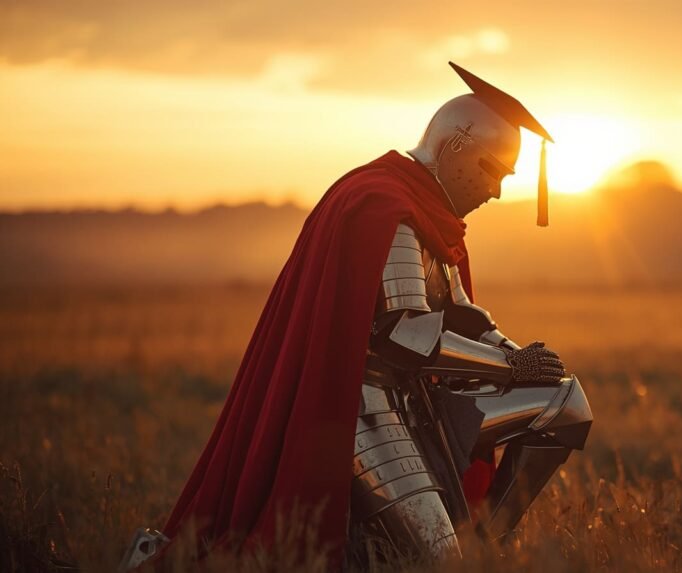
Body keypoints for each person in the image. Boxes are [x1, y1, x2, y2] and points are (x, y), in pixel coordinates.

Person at [121, 62, 592, 570]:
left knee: (566, 402)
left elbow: (465, 317)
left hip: (417, 398)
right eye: (492, 171)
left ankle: (484, 547)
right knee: (439, 562)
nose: (497, 191)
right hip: (365, 413)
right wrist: (509, 369)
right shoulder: (387, 205)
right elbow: (402, 334)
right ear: (456, 148)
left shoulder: (427, 210)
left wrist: (518, 356)